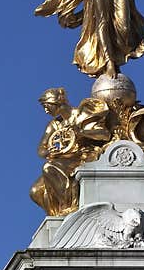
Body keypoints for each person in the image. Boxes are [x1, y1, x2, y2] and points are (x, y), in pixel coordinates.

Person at [30, 87, 112, 216]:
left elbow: (104, 135)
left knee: (49, 167)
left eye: (47, 106)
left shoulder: (82, 114)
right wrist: (49, 152)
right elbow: (41, 149)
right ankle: (56, 217)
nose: (46, 111)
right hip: (62, 159)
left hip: (82, 156)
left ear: (57, 103)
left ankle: (69, 207)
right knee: (36, 191)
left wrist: (81, 132)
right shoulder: (54, 124)